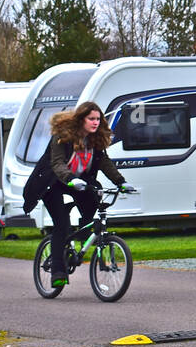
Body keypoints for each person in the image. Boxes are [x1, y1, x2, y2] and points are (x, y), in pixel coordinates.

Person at [21, 101, 130, 288]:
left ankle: (82, 237)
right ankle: (58, 271)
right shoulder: (62, 136)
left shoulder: (95, 140)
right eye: (91, 119)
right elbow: (57, 163)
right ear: (81, 119)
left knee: (92, 203)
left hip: (78, 183)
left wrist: (121, 182)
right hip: (54, 182)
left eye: (98, 119)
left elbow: (104, 163)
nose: (95, 122)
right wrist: (71, 178)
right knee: (61, 226)